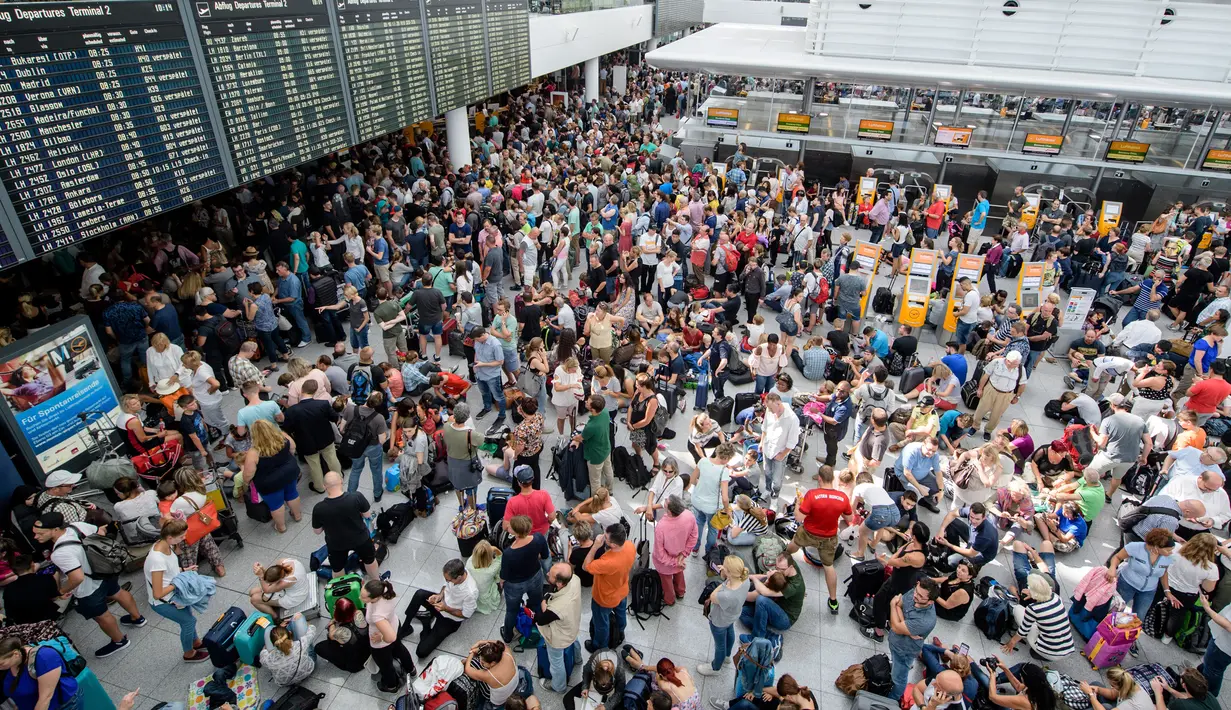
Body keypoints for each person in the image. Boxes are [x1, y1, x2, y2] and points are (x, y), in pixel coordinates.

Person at [34, 511, 146, 658]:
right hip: (105, 571)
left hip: (88, 589)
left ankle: (119, 641)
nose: (36, 537)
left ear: (55, 530)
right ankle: (137, 618)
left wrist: (61, 590)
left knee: (101, 615)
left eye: (40, 533)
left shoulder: (59, 553)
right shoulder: (76, 526)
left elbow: (77, 577)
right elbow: (101, 531)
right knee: (118, 592)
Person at [145, 518, 211, 662]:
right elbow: (157, 594)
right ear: (170, 537)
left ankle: (196, 643)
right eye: (181, 536)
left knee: (188, 618)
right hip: (164, 602)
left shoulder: (165, 545)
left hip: (175, 597)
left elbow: (169, 572)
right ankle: (189, 653)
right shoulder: (157, 560)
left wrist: (184, 570)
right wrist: (179, 582)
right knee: (188, 622)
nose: (184, 538)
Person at [790, 466, 849, 613]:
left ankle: (780, 561)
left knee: (793, 545)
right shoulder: (843, 497)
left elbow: (799, 517)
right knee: (828, 567)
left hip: (808, 532)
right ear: (833, 479)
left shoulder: (812, 495)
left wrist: (798, 504)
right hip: (829, 538)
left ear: (820, 479)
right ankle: (833, 601)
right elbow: (849, 518)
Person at [399, 558, 478, 659]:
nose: (447, 581)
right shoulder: (455, 574)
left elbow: (466, 614)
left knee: (421, 652)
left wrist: (446, 608)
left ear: (459, 577)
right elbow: (445, 586)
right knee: (419, 594)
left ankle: (426, 624)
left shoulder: (471, 592)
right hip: (441, 603)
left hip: (450, 619)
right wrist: (439, 595)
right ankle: (406, 627)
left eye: (449, 580)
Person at [312, 471, 379, 579]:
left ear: (324, 486)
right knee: (370, 560)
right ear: (341, 481)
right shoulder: (356, 497)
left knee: (337, 568)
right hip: (360, 539)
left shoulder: (319, 508)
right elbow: (367, 515)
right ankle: (376, 582)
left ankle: (341, 589)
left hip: (336, 544)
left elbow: (317, 531)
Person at [583, 522, 636, 652]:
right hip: (622, 590)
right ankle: (620, 632)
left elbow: (586, 566)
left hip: (604, 598)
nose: (602, 537)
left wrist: (595, 546)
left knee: (601, 624)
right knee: (620, 613)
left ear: (613, 544)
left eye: (605, 537)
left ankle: (600, 646)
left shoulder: (607, 563)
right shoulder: (630, 546)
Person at [242, 419, 302, 533]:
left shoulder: (254, 452)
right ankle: (297, 515)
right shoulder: (283, 437)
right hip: (290, 472)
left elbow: (248, 474)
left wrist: (246, 482)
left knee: (276, 504)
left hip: (269, 482)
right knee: (292, 494)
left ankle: (281, 527)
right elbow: (293, 448)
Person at [282, 379, 340, 493]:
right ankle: (338, 479)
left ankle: (319, 486)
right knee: (332, 458)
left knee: (314, 465)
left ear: (302, 390)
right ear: (314, 391)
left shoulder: (291, 411)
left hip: (306, 443)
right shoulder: (322, 404)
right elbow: (335, 418)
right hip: (326, 438)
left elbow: (287, 429)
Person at [1001, 571, 1075, 660]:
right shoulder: (1057, 598)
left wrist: (1011, 642)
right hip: (1068, 648)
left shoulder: (1033, 608)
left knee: (1018, 609)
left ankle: (1039, 651)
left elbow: (1023, 631)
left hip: (1049, 652)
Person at [887, 578, 940, 700]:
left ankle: (893, 699)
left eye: (920, 596)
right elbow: (899, 606)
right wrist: (905, 625)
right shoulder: (916, 591)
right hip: (896, 641)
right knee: (896, 666)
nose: (915, 595)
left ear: (930, 602)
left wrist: (892, 605)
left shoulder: (925, 620)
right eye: (916, 591)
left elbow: (895, 625)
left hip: (905, 651)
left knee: (898, 679)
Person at [698, 555, 751, 677]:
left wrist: (723, 579)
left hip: (720, 620)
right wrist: (727, 573)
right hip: (733, 615)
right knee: (730, 632)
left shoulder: (727, 594)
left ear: (730, 574)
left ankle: (715, 667)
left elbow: (713, 597)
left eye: (725, 568)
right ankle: (727, 656)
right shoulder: (745, 578)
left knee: (719, 644)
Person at [499, 515, 549, 644]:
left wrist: (501, 582)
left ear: (516, 532)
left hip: (515, 585)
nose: (508, 527)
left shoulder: (509, 553)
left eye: (511, 526)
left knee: (511, 611)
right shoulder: (538, 538)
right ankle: (539, 626)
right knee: (537, 602)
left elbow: (504, 575)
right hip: (535, 577)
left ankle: (508, 636)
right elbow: (545, 555)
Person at [362, 579, 417, 693]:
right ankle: (411, 669)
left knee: (385, 665)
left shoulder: (377, 615)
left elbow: (390, 637)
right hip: (394, 624)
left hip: (382, 641)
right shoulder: (384, 589)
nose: (360, 599)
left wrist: (381, 637)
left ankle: (391, 686)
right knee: (400, 649)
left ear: (375, 598)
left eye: (364, 597)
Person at [0, 635, 83, 710]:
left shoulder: (44, 657)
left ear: (16, 654)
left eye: (1, 664)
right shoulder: (10, 665)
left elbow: (45, 698)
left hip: (63, 705)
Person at [1095, 394, 1153, 501]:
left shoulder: (1108, 420)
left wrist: (1091, 433)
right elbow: (1148, 443)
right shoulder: (1140, 421)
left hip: (1110, 456)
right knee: (1117, 477)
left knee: (1091, 473)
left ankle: (1090, 495)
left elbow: (1101, 443)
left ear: (1112, 405)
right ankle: (1109, 495)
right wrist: (1144, 457)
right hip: (1129, 459)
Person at [340, 391, 389, 499]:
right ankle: (377, 493)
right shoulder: (379, 418)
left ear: (367, 397)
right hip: (372, 447)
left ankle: (350, 495)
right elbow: (381, 440)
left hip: (354, 447)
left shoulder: (350, 409)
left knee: (355, 470)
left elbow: (341, 429)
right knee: (376, 471)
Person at [652, 495, 698, 606]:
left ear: (670, 511)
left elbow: (659, 553)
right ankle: (680, 592)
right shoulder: (689, 515)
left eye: (666, 502)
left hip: (665, 563)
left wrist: (674, 561)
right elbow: (694, 536)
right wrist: (683, 555)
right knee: (679, 573)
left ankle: (670, 600)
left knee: (666, 581)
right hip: (680, 556)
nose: (665, 501)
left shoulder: (661, 527)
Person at [970, 351, 1027, 441]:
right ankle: (974, 426)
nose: (1016, 366)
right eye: (1014, 364)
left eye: (1017, 364)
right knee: (981, 409)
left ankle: (988, 431)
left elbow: (1022, 384)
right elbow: (986, 376)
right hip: (991, 389)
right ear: (1008, 361)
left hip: (1006, 394)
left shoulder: (1020, 368)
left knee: (996, 415)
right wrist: (980, 389)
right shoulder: (996, 362)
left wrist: (1017, 396)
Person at [690, 442, 734, 557]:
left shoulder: (703, 461)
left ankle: (695, 548)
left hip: (697, 501)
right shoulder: (723, 471)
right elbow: (725, 497)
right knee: (712, 529)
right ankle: (709, 551)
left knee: (698, 523)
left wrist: (701, 485)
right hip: (711, 507)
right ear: (727, 458)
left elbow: (692, 479)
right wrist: (727, 510)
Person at [760, 392, 800, 504]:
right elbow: (765, 427)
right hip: (767, 449)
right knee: (767, 472)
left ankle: (774, 498)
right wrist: (762, 443)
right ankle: (767, 490)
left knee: (777, 481)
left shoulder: (792, 419)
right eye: (768, 408)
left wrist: (782, 455)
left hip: (779, 453)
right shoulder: (769, 410)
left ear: (778, 403)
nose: (770, 411)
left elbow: (793, 441)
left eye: (771, 408)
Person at [314, 597, 371, 673]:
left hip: (355, 666)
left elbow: (331, 633)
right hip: (370, 653)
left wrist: (333, 622)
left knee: (318, 647)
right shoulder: (360, 613)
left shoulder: (338, 633)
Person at [935, 501, 999, 570]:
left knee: (951, 560)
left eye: (977, 519)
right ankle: (954, 550)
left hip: (980, 553)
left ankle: (974, 567)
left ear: (984, 518)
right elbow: (952, 514)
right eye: (971, 517)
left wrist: (948, 544)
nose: (973, 521)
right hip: (972, 538)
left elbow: (971, 553)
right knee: (952, 522)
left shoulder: (985, 535)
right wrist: (941, 529)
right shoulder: (971, 512)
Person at [893, 437, 944, 513]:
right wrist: (920, 489)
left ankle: (925, 502)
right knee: (914, 493)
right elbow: (907, 473)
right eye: (929, 450)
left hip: (923, 474)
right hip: (905, 475)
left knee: (937, 486)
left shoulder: (934, 454)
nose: (931, 453)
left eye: (934, 451)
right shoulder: (911, 451)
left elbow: (938, 473)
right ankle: (905, 510)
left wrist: (941, 491)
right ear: (923, 444)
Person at [576, 395, 613, 495]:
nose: (585, 402)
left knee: (595, 480)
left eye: (588, 402)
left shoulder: (591, 426)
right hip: (606, 448)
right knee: (608, 470)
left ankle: (596, 501)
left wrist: (574, 438)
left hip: (595, 456)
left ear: (592, 409)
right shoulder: (605, 411)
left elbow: (581, 438)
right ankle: (610, 490)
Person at [504, 465, 555, 536]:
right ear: (533, 479)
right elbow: (552, 516)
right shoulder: (544, 495)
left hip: (524, 536)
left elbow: (506, 526)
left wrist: (519, 533)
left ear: (518, 482)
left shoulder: (512, 502)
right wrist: (547, 523)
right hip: (542, 533)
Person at [466, 540, 503, 615]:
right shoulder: (491, 570)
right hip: (487, 598)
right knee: (501, 575)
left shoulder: (469, 562)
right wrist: (495, 548)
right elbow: (501, 557)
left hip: (475, 595)